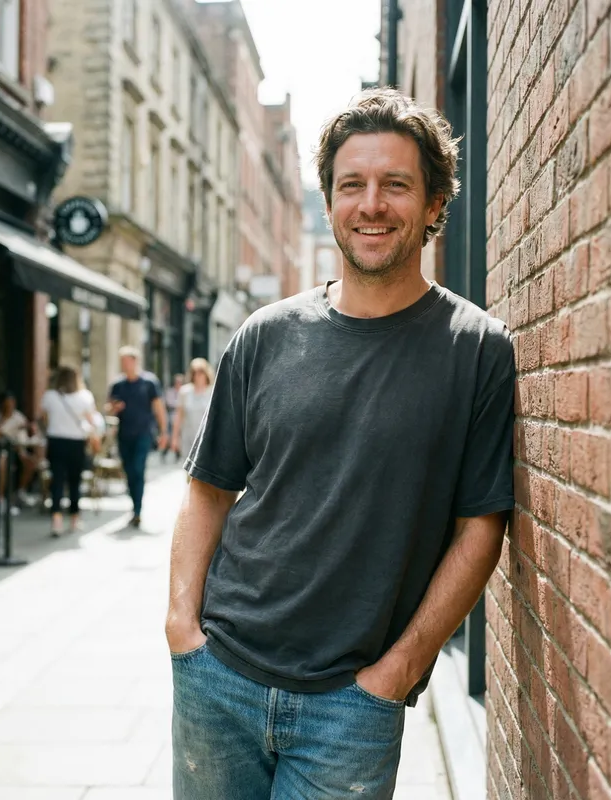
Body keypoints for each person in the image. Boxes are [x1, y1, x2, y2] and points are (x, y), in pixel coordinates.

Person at [166, 88, 515, 799]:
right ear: (328, 203)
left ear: (435, 202)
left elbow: (480, 529)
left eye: (396, 184)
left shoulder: (477, 349)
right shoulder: (265, 335)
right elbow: (208, 490)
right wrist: (182, 628)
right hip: (219, 677)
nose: (371, 205)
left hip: (352, 708)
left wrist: (395, 674)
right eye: (351, 185)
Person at [106, 346, 168, 527]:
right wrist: (114, 408)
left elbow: (159, 408)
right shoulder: (118, 385)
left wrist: (164, 432)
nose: (125, 365)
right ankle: (134, 504)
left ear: (135, 361)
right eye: (122, 362)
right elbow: (108, 408)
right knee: (129, 471)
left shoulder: (149, 383)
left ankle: (137, 510)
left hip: (143, 434)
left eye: (127, 361)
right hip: (124, 434)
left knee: (138, 469)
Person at [41, 365, 100, 537]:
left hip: (56, 441)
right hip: (76, 443)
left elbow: (43, 418)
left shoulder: (50, 396)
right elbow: (93, 422)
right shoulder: (85, 397)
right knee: (75, 482)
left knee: (57, 481)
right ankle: (74, 518)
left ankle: (56, 520)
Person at [0, 392, 41, 506]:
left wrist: (30, 429)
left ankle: (20, 491)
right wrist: (4, 419)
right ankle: (0, 498)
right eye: (7, 404)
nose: (10, 407)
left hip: (17, 449)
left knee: (31, 462)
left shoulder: (18, 417)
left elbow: (28, 435)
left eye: (12, 404)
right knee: (2, 464)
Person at [170, 359, 213, 467]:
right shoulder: (185, 392)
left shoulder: (212, 391)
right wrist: (175, 438)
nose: (198, 376)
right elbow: (178, 416)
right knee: (190, 469)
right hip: (188, 437)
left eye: (201, 373)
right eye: (195, 373)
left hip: (207, 437)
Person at [164, 373, 185, 458]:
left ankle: (178, 453)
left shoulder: (185, 391)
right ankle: (165, 451)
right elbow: (169, 403)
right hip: (172, 415)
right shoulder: (170, 392)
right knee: (171, 434)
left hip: (183, 417)